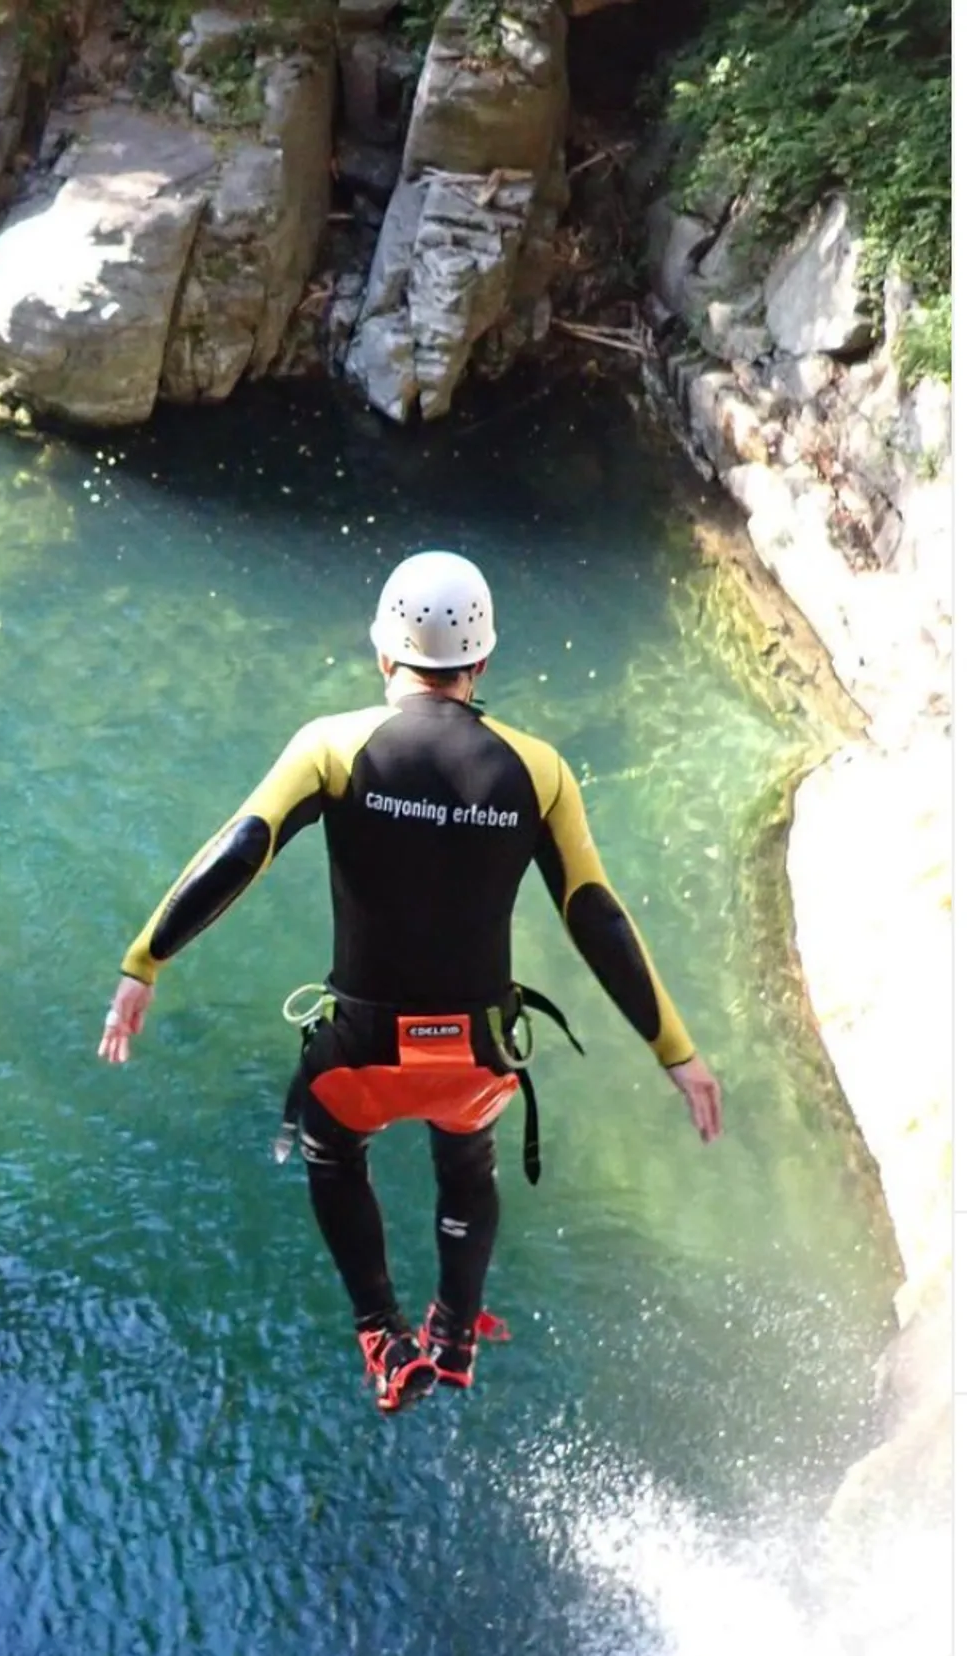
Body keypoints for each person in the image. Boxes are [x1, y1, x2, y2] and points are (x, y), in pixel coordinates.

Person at [96, 550, 724, 1414]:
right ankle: (456, 1330)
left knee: (329, 1143)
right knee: (468, 1159)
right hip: (476, 1060)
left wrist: (144, 963)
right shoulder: (539, 770)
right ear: (483, 662)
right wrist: (676, 1051)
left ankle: (385, 1338)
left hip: (363, 1058)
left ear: (384, 655)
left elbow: (243, 848)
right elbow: (595, 915)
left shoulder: (331, 745)